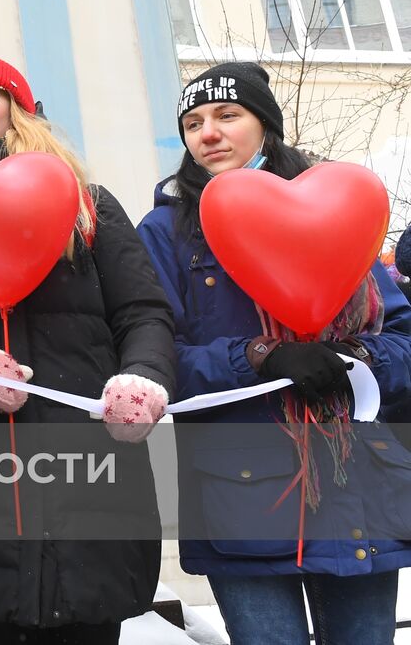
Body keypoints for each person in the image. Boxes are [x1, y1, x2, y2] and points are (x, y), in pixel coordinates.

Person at [0, 54, 176, 645]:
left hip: (89, 474)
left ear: (19, 107)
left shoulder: (87, 207)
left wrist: (143, 377)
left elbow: (142, 313)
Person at [137, 61, 411, 645]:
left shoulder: (338, 211)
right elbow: (154, 356)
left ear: (265, 124)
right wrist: (260, 356)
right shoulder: (167, 231)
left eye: (227, 115)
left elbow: (405, 341)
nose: (207, 132)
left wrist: (355, 357)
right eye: (192, 122)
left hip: (357, 485)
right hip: (243, 495)